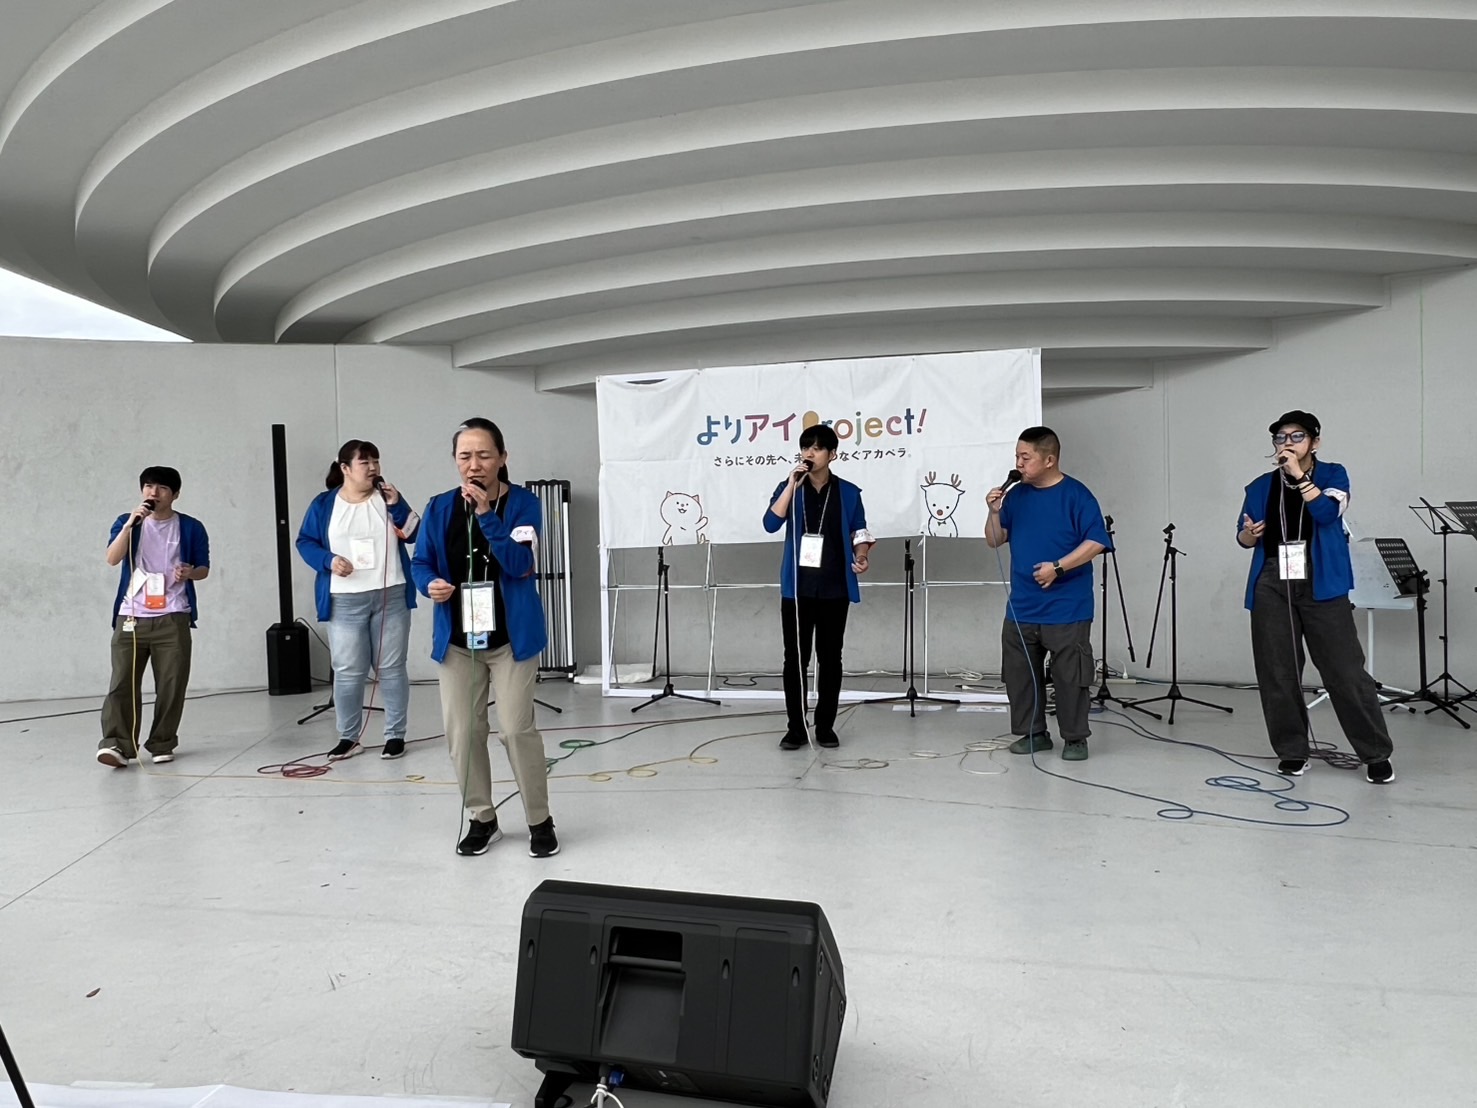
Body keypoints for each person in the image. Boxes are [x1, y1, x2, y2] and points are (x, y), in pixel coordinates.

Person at [411, 418, 559, 857]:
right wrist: (429, 584)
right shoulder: (439, 507)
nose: (473, 465)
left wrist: (486, 516)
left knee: (515, 730)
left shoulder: (525, 505)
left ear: (502, 458)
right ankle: (482, 817)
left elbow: (521, 565)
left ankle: (539, 819)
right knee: (463, 732)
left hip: (511, 639)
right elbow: (421, 562)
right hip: (458, 641)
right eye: (465, 456)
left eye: (483, 455)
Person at [1236, 410, 1395, 783]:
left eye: (1296, 436)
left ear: (1314, 442)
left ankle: (1375, 753)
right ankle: (1292, 751)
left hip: (1321, 577)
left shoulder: (1333, 475)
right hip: (1273, 578)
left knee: (1344, 670)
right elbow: (1242, 537)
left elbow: (1326, 513)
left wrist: (1299, 477)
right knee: (1278, 671)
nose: (1287, 443)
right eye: (1280, 437)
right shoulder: (1259, 486)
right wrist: (1249, 534)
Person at [985, 427, 1110, 761]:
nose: (1018, 464)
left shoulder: (1077, 495)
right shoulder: (1016, 496)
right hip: (1022, 606)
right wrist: (994, 512)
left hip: (1067, 606)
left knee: (1070, 676)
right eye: (1017, 456)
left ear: (1049, 459)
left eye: (1025, 457)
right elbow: (994, 540)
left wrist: (1059, 567)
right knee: (1020, 675)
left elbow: (1096, 541)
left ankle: (1075, 738)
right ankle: (1033, 733)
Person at [296, 440, 419, 761]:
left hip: (391, 595)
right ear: (345, 468)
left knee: (391, 668)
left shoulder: (388, 498)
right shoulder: (324, 504)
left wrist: (398, 506)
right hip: (344, 599)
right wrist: (328, 560)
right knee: (348, 670)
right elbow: (305, 541)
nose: (373, 467)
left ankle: (395, 735)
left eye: (376, 461)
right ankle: (349, 737)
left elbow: (415, 533)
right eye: (365, 462)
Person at [763, 424, 875, 749]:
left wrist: (862, 556)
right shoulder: (790, 488)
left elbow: (859, 532)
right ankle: (796, 728)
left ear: (832, 455)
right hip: (797, 589)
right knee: (795, 660)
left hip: (834, 586)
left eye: (816, 448)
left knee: (830, 658)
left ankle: (825, 726)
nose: (809, 453)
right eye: (805, 447)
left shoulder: (849, 492)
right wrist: (790, 484)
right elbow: (771, 523)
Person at [98, 466, 210, 768]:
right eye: (148, 486)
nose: (153, 493)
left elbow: (204, 568)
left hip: (173, 615)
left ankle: (162, 742)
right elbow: (112, 558)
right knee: (121, 683)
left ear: (175, 494)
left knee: (172, 684)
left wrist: (190, 573)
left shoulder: (191, 527)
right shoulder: (128, 522)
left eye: (162, 488)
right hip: (131, 615)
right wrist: (129, 526)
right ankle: (117, 745)